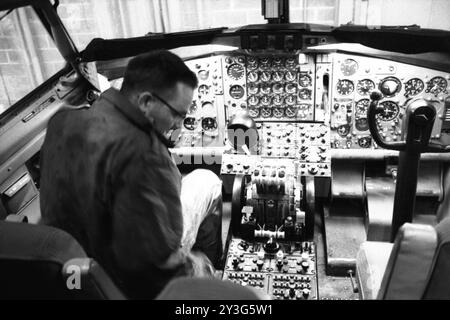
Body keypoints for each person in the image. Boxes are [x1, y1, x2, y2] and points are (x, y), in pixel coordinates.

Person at [39, 50, 223, 299]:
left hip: (72, 270)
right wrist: (200, 269)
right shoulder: (147, 156)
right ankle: (214, 266)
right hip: (128, 285)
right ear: (146, 102)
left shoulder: (59, 123)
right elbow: (158, 269)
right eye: (177, 114)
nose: (179, 125)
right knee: (208, 181)